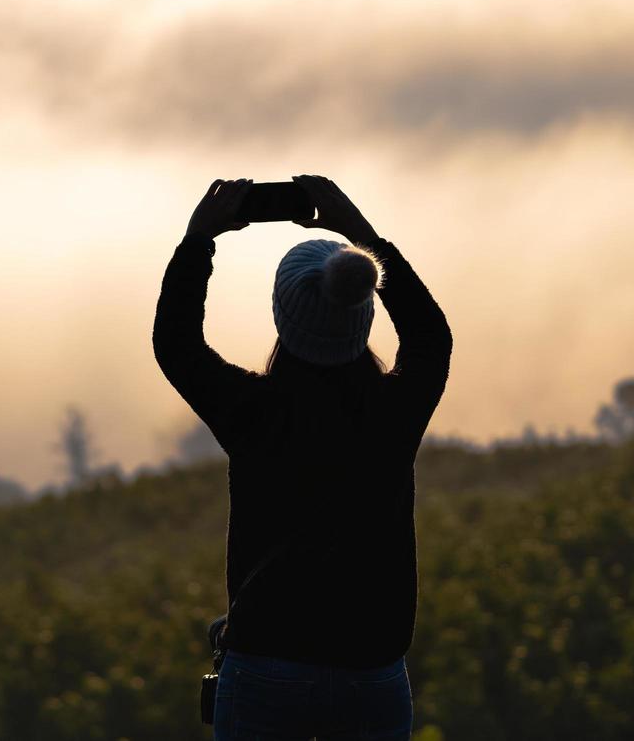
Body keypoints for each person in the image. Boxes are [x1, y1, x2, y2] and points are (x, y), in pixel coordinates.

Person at [153, 175, 453, 741]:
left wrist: (200, 239)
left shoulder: (253, 412)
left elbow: (176, 344)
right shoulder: (394, 411)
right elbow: (429, 335)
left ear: (282, 319)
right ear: (362, 313)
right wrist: (362, 234)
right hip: (372, 673)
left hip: (265, 666)